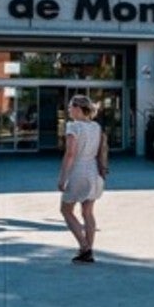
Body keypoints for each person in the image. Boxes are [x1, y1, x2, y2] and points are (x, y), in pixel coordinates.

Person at [58, 94, 109, 264]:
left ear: (78, 108)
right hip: (93, 171)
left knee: (66, 210)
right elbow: (101, 150)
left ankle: (84, 246)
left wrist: (63, 177)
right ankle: (88, 250)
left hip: (78, 171)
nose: (68, 110)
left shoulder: (73, 127)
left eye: (71, 107)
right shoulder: (96, 126)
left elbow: (70, 153)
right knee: (88, 212)